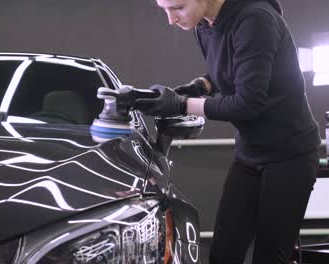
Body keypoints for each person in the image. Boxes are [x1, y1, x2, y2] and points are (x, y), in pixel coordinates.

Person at [134, 0, 321, 263]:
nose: (171, 19)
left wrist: (181, 104)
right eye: (164, 9)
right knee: (224, 254)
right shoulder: (205, 25)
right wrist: (197, 87)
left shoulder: (256, 20)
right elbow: (225, 73)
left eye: (177, 7)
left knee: (270, 256)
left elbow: (247, 103)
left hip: (290, 154)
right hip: (250, 154)